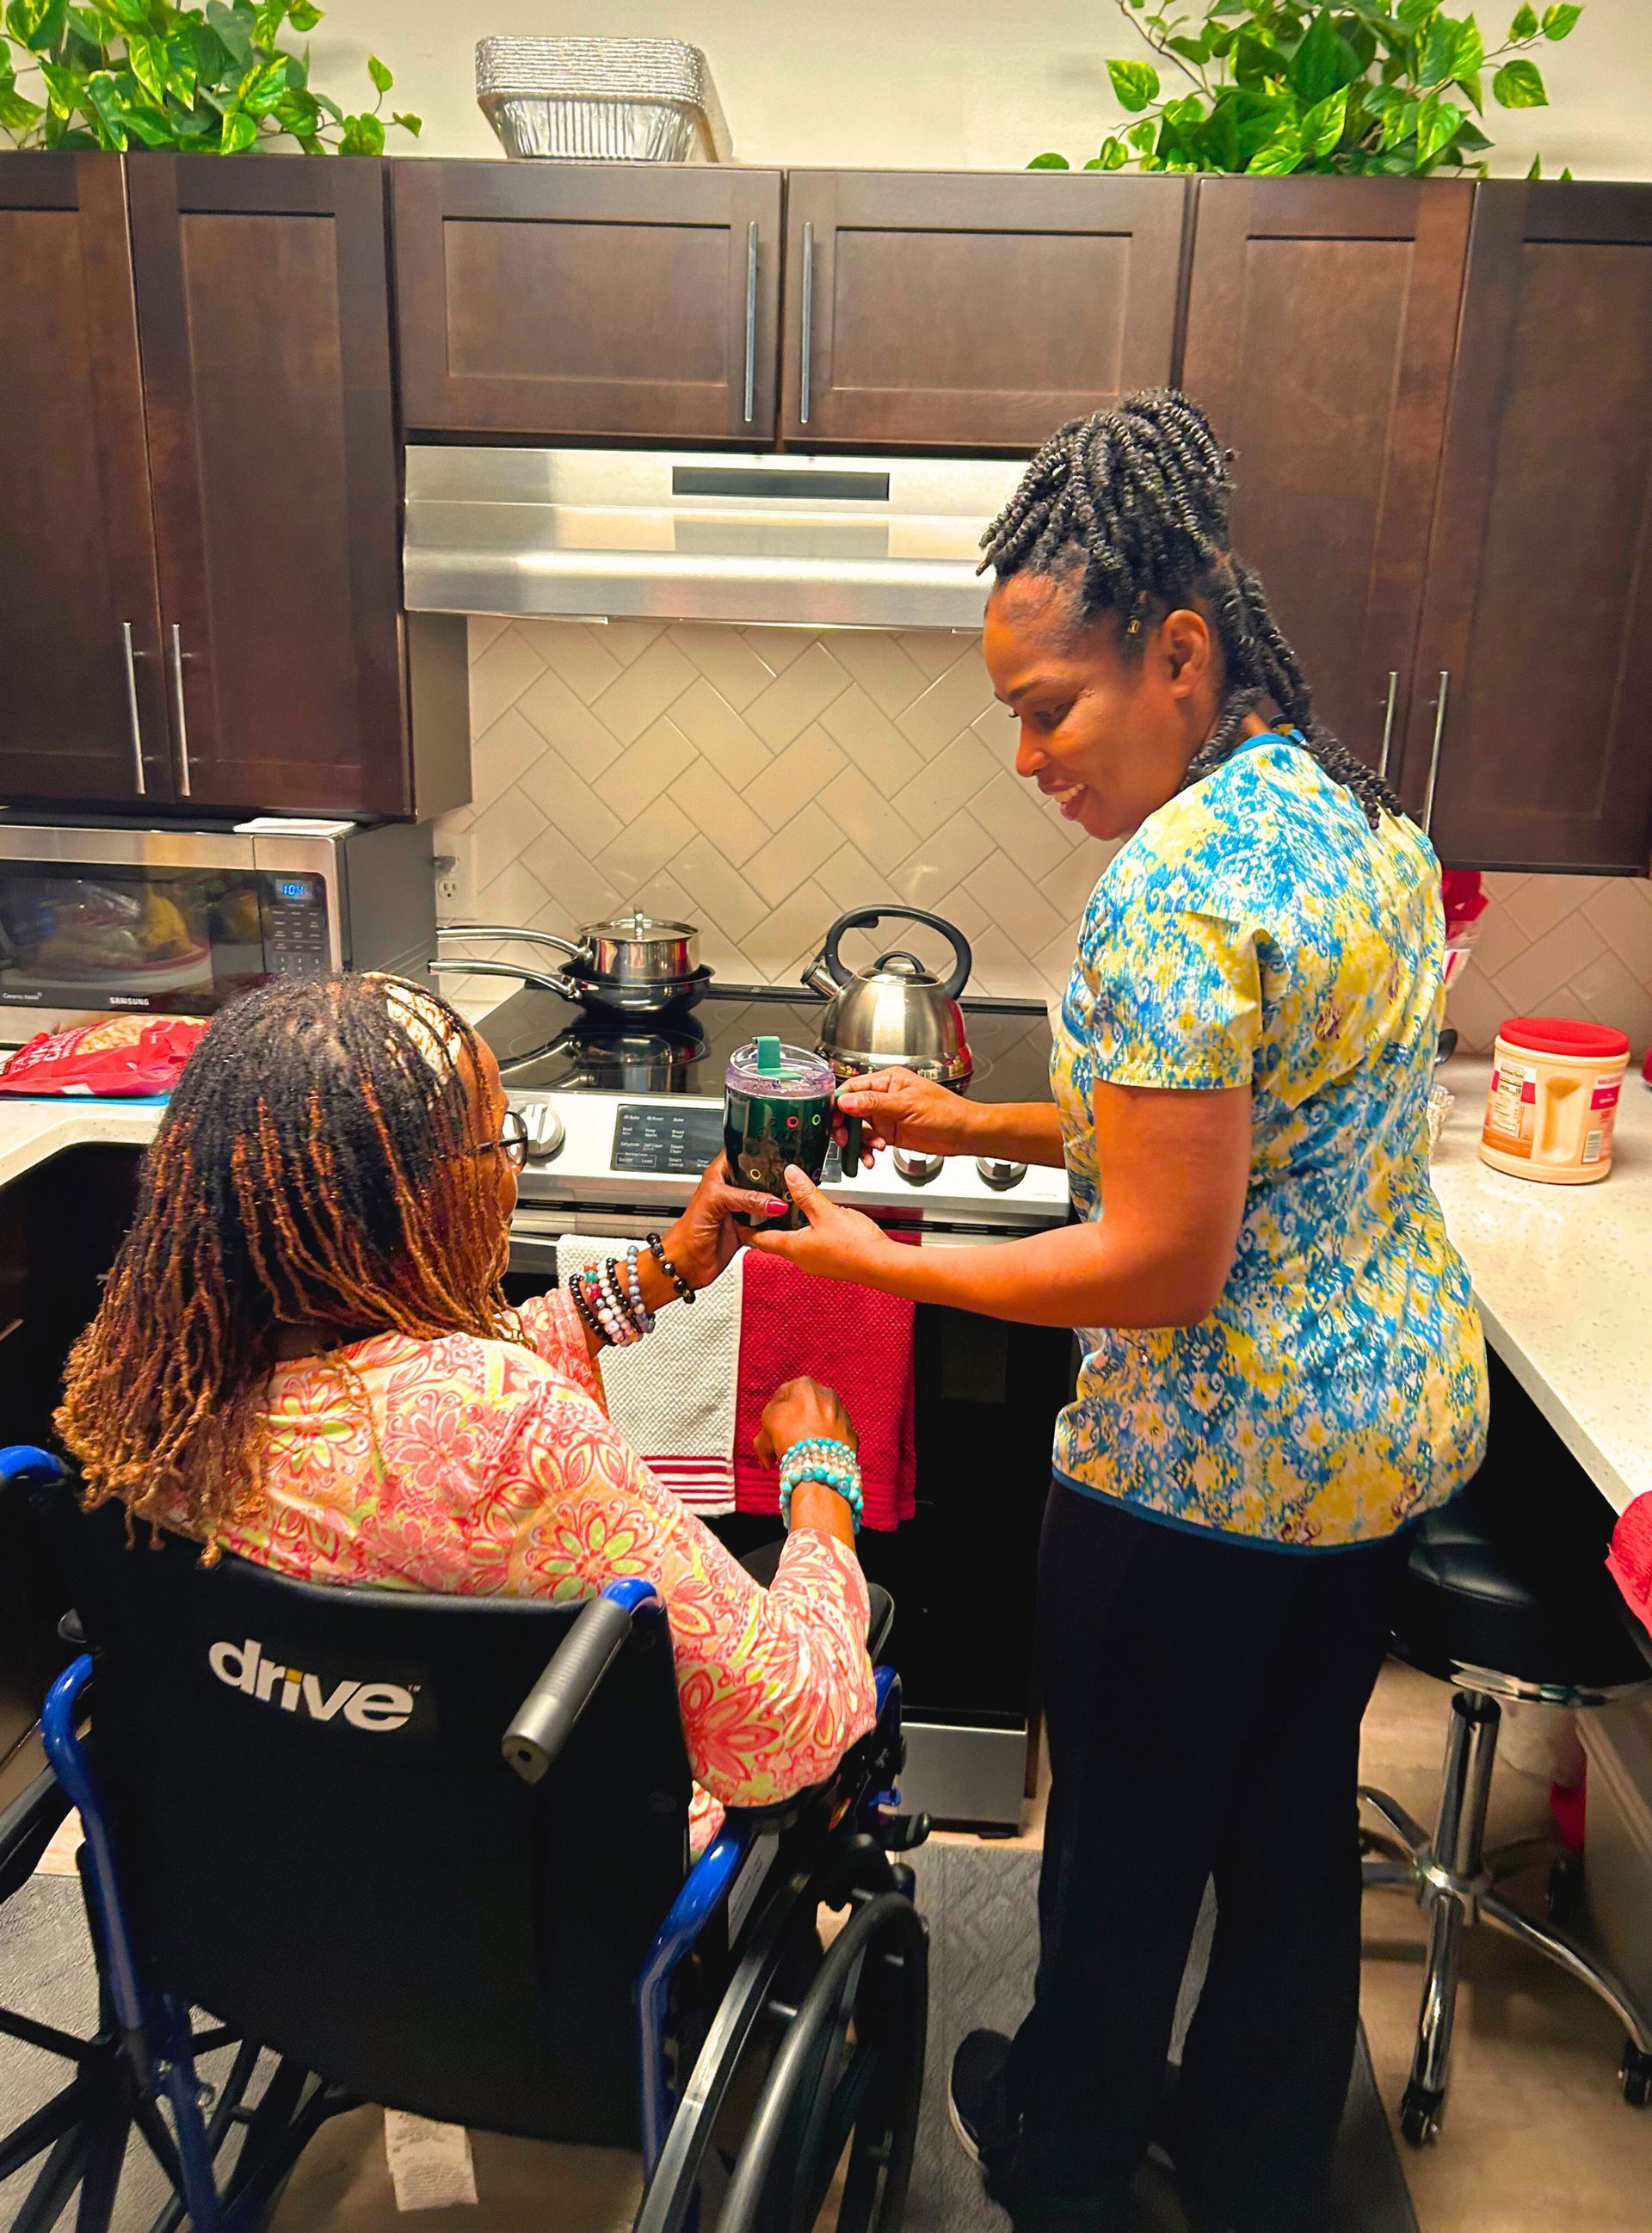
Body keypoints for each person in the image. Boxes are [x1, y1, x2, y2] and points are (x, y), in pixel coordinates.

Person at [744, 392, 1489, 2233]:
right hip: (1378, 1436)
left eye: (1044, 707)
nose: (1026, 758)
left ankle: (1062, 2151)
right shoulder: (1354, 818)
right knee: (1288, 1824)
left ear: (1176, 653)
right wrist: (977, 1120)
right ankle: (1252, 2157)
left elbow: (1164, 1258)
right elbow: (1246, 1113)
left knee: (1129, 1849)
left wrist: (880, 1256)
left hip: (1205, 1466)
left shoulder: (1165, 888)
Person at [57, 972, 875, 1858]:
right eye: (500, 1144)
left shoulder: (155, 1381)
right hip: (536, 1949)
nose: (512, 1171)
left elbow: (394, 1388)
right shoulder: (515, 1432)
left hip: (257, 1901)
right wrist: (819, 1477)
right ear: (417, 1195)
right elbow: (796, 1725)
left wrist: (661, 1269)